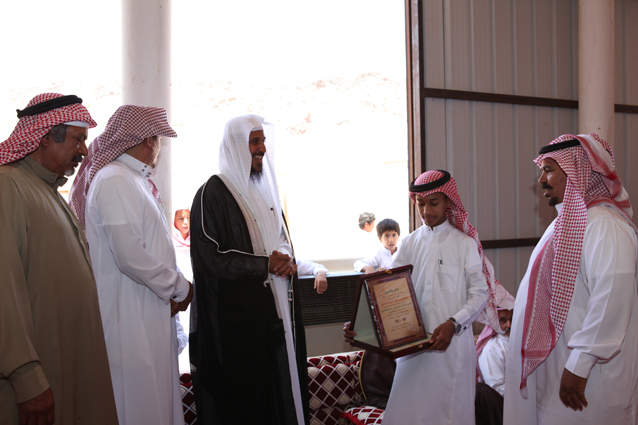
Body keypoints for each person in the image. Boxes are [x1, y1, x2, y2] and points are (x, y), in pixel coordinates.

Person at [346, 169, 513, 424]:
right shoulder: (409, 243)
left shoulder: (464, 243)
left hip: (452, 349)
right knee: (407, 414)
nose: (426, 211)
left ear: (448, 202)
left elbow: (480, 294)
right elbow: (389, 293)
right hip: (413, 350)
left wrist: (453, 323)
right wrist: (363, 326)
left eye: (434, 203)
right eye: (420, 203)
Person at [69, 105, 193, 425]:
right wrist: (180, 287)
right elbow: (130, 256)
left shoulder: (132, 179)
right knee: (137, 407)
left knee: (155, 403)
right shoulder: (115, 179)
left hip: (146, 312)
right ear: (150, 141)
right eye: (159, 140)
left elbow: (153, 250)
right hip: (129, 321)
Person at [0, 93, 119, 424]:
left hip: (68, 361)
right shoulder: (8, 186)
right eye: (78, 139)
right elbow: (4, 292)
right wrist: (27, 378)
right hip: (41, 372)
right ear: (44, 138)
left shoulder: (46, 188)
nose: (85, 150)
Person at [503, 133, 638, 424]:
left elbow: (611, 299)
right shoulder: (564, 224)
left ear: (578, 171)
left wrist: (580, 364)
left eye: (549, 170)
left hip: (590, 375)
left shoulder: (605, 226)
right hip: (560, 363)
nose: (541, 179)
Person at [189, 114, 308, 424]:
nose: (262, 149)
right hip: (235, 327)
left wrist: (284, 257)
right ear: (237, 145)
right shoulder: (211, 193)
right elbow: (208, 257)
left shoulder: (265, 189)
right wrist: (264, 265)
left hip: (273, 313)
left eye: (263, 141)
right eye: (255, 142)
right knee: (246, 404)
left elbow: (280, 238)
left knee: (278, 391)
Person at [476, 308, 513, 396]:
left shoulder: (519, 343)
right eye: (503, 321)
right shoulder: (492, 349)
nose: (509, 325)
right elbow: (497, 389)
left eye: (512, 319)